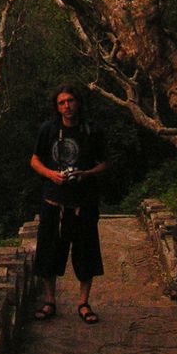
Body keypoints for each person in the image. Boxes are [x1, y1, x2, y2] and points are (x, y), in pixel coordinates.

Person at [29, 83, 110, 324]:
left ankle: (83, 303)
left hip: (83, 203)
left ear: (78, 102)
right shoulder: (49, 130)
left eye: (70, 101)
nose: (67, 106)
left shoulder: (91, 131)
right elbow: (34, 160)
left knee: (86, 253)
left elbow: (105, 162)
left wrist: (86, 174)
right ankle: (49, 301)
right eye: (62, 102)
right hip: (54, 201)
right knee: (49, 252)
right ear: (57, 107)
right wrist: (50, 174)